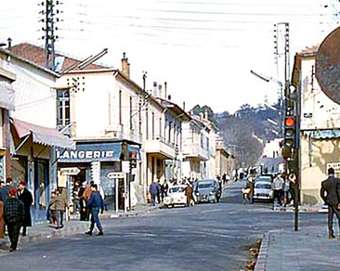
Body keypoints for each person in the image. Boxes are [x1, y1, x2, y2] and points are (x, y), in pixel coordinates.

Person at [320, 167, 340, 239]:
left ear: (328, 173)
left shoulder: (324, 182)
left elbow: (321, 194)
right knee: (339, 217)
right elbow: (339, 192)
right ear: (334, 173)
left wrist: (325, 200)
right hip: (336, 202)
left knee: (330, 218)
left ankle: (330, 234)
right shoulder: (337, 181)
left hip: (329, 202)